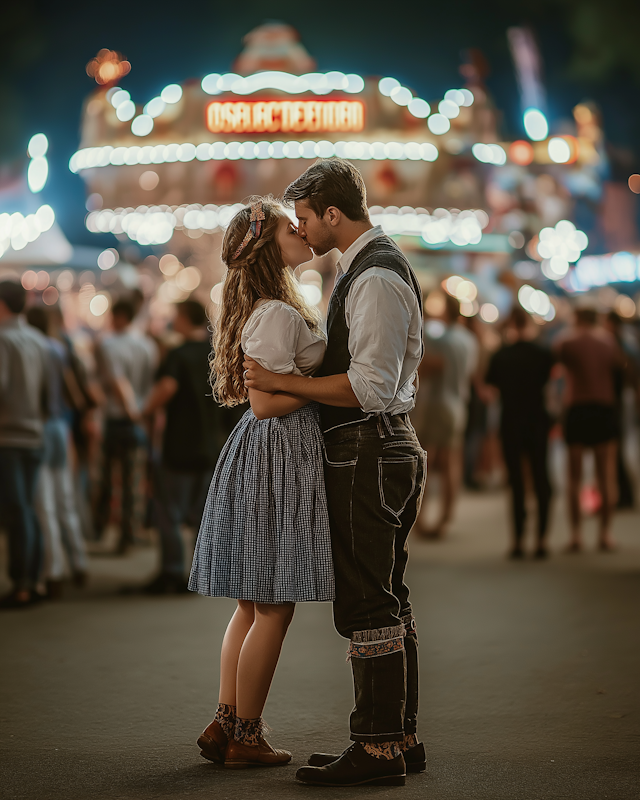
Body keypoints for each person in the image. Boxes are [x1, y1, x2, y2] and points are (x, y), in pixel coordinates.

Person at [244, 159, 426, 788]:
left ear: (331, 212)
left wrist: (283, 383)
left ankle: (376, 747)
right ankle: (398, 736)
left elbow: (370, 388)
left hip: (368, 449)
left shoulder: (373, 277)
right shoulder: (371, 268)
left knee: (366, 601)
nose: (301, 230)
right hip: (383, 449)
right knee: (387, 596)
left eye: (304, 218)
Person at [189, 197, 334, 770]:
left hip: (263, 454)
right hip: (278, 452)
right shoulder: (275, 311)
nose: (299, 231)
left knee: (252, 606)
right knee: (274, 606)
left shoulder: (269, 306)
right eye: (286, 227)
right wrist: (320, 385)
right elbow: (266, 401)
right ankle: (245, 733)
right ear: (269, 246)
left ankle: (226, 721)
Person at [140, 300, 228, 594]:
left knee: (169, 511)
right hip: (210, 446)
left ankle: (173, 572)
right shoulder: (215, 353)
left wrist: (144, 410)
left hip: (179, 446)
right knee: (203, 514)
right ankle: (202, 573)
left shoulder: (177, 355)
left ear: (184, 318)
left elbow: (167, 388)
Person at [26, 305, 88, 595]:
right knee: (64, 497)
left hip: (39, 427)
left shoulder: (34, 349)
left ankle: (54, 571)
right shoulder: (59, 348)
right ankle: (79, 561)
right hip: (60, 427)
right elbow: (73, 392)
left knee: (44, 504)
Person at [485, 307, 555, 558]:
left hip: (511, 421)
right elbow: (550, 385)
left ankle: (517, 541)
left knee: (515, 481)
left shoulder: (501, 355)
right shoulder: (543, 354)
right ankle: (542, 540)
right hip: (537, 419)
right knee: (541, 477)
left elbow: (489, 389)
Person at [555, 306, 624, 552]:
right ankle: (605, 534)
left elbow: (555, 369)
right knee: (605, 475)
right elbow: (620, 370)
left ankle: (576, 535)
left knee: (574, 477)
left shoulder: (567, 341)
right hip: (604, 408)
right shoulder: (609, 342)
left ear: (577, 318)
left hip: (577, 407)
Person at [0, 281, 49, 609]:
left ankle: (21, 584)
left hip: (9, 437)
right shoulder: (39, 340)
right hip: (36, 433)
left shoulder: (3, 340)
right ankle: (33, 579)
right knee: (28, 509)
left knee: (17, 512)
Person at [94, 299, 158, 553]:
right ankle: (129, 532)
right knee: (133, 479)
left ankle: (102, 529)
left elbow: (117, 382)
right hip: (141, 418)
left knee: (108, 477)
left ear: (118, 317)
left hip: (118, 418)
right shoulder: (147, 345)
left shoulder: (108, 345)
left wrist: (131, 410)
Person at [414, 293, 478, 538]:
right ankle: (446, 517)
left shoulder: (440, 338)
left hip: (437, 404)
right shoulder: (468, 338)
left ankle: (422, 519)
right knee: (452, 460)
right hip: (459, 403)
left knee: (426, 462)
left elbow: (429, 366)